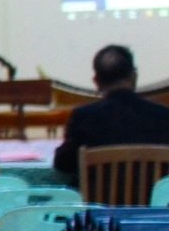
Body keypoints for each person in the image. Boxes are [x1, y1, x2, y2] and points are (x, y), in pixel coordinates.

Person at [54, 44, 169, 177]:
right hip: (152, 191)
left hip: (96, 191)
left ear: (96, 81)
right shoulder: (163, 115)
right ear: (134, 76)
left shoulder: (83, 116)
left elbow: (62, 164)